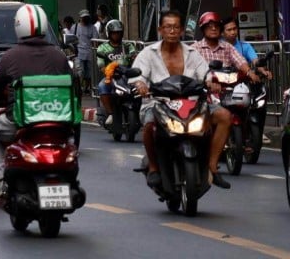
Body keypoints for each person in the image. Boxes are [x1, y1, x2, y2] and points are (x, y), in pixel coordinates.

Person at [132, 10, 233, 190]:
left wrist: (212, 82)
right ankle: (154, 168)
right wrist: (140, 85)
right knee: (148, 125)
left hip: (192, 104)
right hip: (158, 103)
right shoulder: (148, 53)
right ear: (160, 30)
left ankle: (212, 167)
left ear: (181, 31)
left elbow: (206, 74)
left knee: (224, 116)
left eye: (176, 27)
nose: (172, 31)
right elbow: (137, 76)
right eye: (168, 27)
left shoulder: (192, 53)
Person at [0, 4, 72, 201]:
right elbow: (74, 87)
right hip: (58, 121)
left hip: (22, 121)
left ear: (19, 27)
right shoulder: (59, 56)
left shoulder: (10, 56)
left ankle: (1, 181)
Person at [193, 12, 259, 85]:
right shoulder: (195, 48)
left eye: (216, 26)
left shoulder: (228, 47)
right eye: (209, 26)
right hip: (203, 90)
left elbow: (240, 61)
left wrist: (249, 72)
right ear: (203, 29)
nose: (214, 28)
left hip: (226, 89)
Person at [95, 20, 138, 125]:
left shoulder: (128, 46)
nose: (116, 35)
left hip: (127, 75)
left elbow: (135, 57)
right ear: (109, 34)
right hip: (111, 76)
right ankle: (110, 114)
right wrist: (108, 72)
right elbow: (101, 66)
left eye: (118, 33)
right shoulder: (102, 48)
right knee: (102, 86)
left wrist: (134, 59)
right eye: (114, 33)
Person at [74, 9, 97, 95]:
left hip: (90, 53)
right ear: (80, 18)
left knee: (89, 73)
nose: (85, 19)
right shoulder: (75, 27)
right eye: (84, 18)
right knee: (80, 71)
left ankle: (88, 88)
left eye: (87, 17)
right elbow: (72, 39)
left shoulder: (93, 28)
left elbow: (95, 41)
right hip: (79, 53)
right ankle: (79, 88)